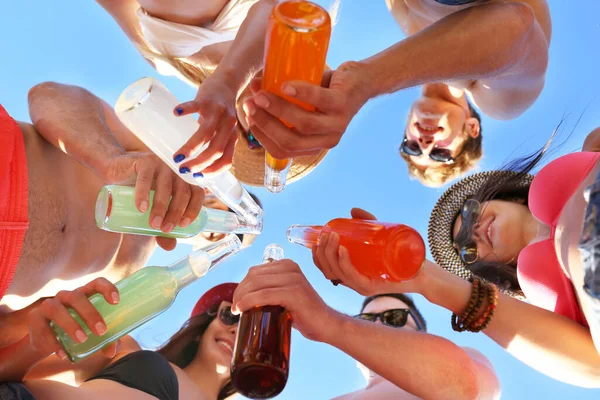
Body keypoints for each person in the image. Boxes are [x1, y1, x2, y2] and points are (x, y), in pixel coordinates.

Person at [0, 82, 254, 354]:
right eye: (226, 211)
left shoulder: (136, 278)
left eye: (232, 237)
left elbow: (16, 330)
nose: (221, 231)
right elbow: (48, 95)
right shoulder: (150, 152)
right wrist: (113, 159)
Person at [238, 0, 551, 186]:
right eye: (441, 153)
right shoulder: (494, 98)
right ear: (472, 128)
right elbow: (516, 27)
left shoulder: (410, 41)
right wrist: (365, 80)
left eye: (412, 149)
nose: (425, 144)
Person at [310, 195, 600, 387]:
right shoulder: (553, 301)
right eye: (468, 251)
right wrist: (424, 277)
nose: (472, 234)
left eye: (396, 318)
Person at [96, 0, 328, 187]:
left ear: (241, 130)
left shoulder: (166, 63)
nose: (276, 119)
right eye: (293, 118)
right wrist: (229, 81)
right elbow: (271, 9)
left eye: (258, 138)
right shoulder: (288, 27)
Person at [232, 260, 501, 399]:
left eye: (394, 317)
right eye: (366, 319)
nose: (379, 324)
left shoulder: (466, 359)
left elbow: (466, 387)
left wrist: (331, 322)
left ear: (423, 332)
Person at [0, 281, 240, 400]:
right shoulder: (120, 347)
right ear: (202, 328)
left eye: (251, 333)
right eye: (231, 316)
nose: (236, 332)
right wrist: (33, 346)